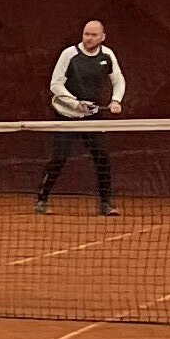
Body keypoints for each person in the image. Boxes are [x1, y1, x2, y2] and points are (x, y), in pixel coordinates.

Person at [37, 16, 126, 216]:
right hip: (66, 116)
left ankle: (105, 203)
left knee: (102, 157)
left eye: (94, 35)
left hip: (92, 118)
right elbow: (55, 84)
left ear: (103, 37)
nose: (89, 38)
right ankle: (42, 199)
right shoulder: (69, 54)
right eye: (86, 34)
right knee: (59, 158)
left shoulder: (107, 55)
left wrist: (116, 100)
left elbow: (118, 80)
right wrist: (75, 103)